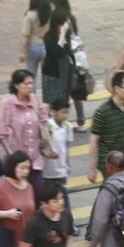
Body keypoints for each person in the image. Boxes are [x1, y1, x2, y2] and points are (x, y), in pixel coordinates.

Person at [0, 69, 54, 191]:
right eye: (26, 84)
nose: (29, 87)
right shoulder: (7, 104)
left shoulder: (35, 100)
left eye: (31, 83)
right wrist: (12, 156)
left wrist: (51, 147)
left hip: (34, 160)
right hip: (16, 165)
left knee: (38, 195)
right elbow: (1, 133)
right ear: (16, 85)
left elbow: (43, 124)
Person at [42, 6, 86, 133]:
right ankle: (51, 127)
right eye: (63, 22)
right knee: (53, 101)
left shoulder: (67, 34)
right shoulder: (49, 36)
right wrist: (61, 35)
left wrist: (75, 52)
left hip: (65, 71)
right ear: (56, 23)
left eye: (66, 22)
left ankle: (61, 124)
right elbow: (55, 51)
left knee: (64, 100)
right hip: (53, 73)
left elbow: (65, 52)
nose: (65, 25)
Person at [42, 98, 77, 234]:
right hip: (47, 171)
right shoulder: (48, 126)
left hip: (61, 170)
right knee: (48, 200)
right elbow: (42, 146)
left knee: (64, 199)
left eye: (67, 112)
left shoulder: (67, 126)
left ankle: (69, 226)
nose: (66, 115)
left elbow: (67, 147)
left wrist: (67, 164)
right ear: (53, 112)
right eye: (63, 112)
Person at [19, 0, 51, 91]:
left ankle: (32, 100)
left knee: (31, 76)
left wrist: (22, 52)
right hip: (46, 47)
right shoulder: (50, 14)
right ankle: (48, 99)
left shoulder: (29, 15)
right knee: (47, 76)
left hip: (32, 46)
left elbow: (25, 35)